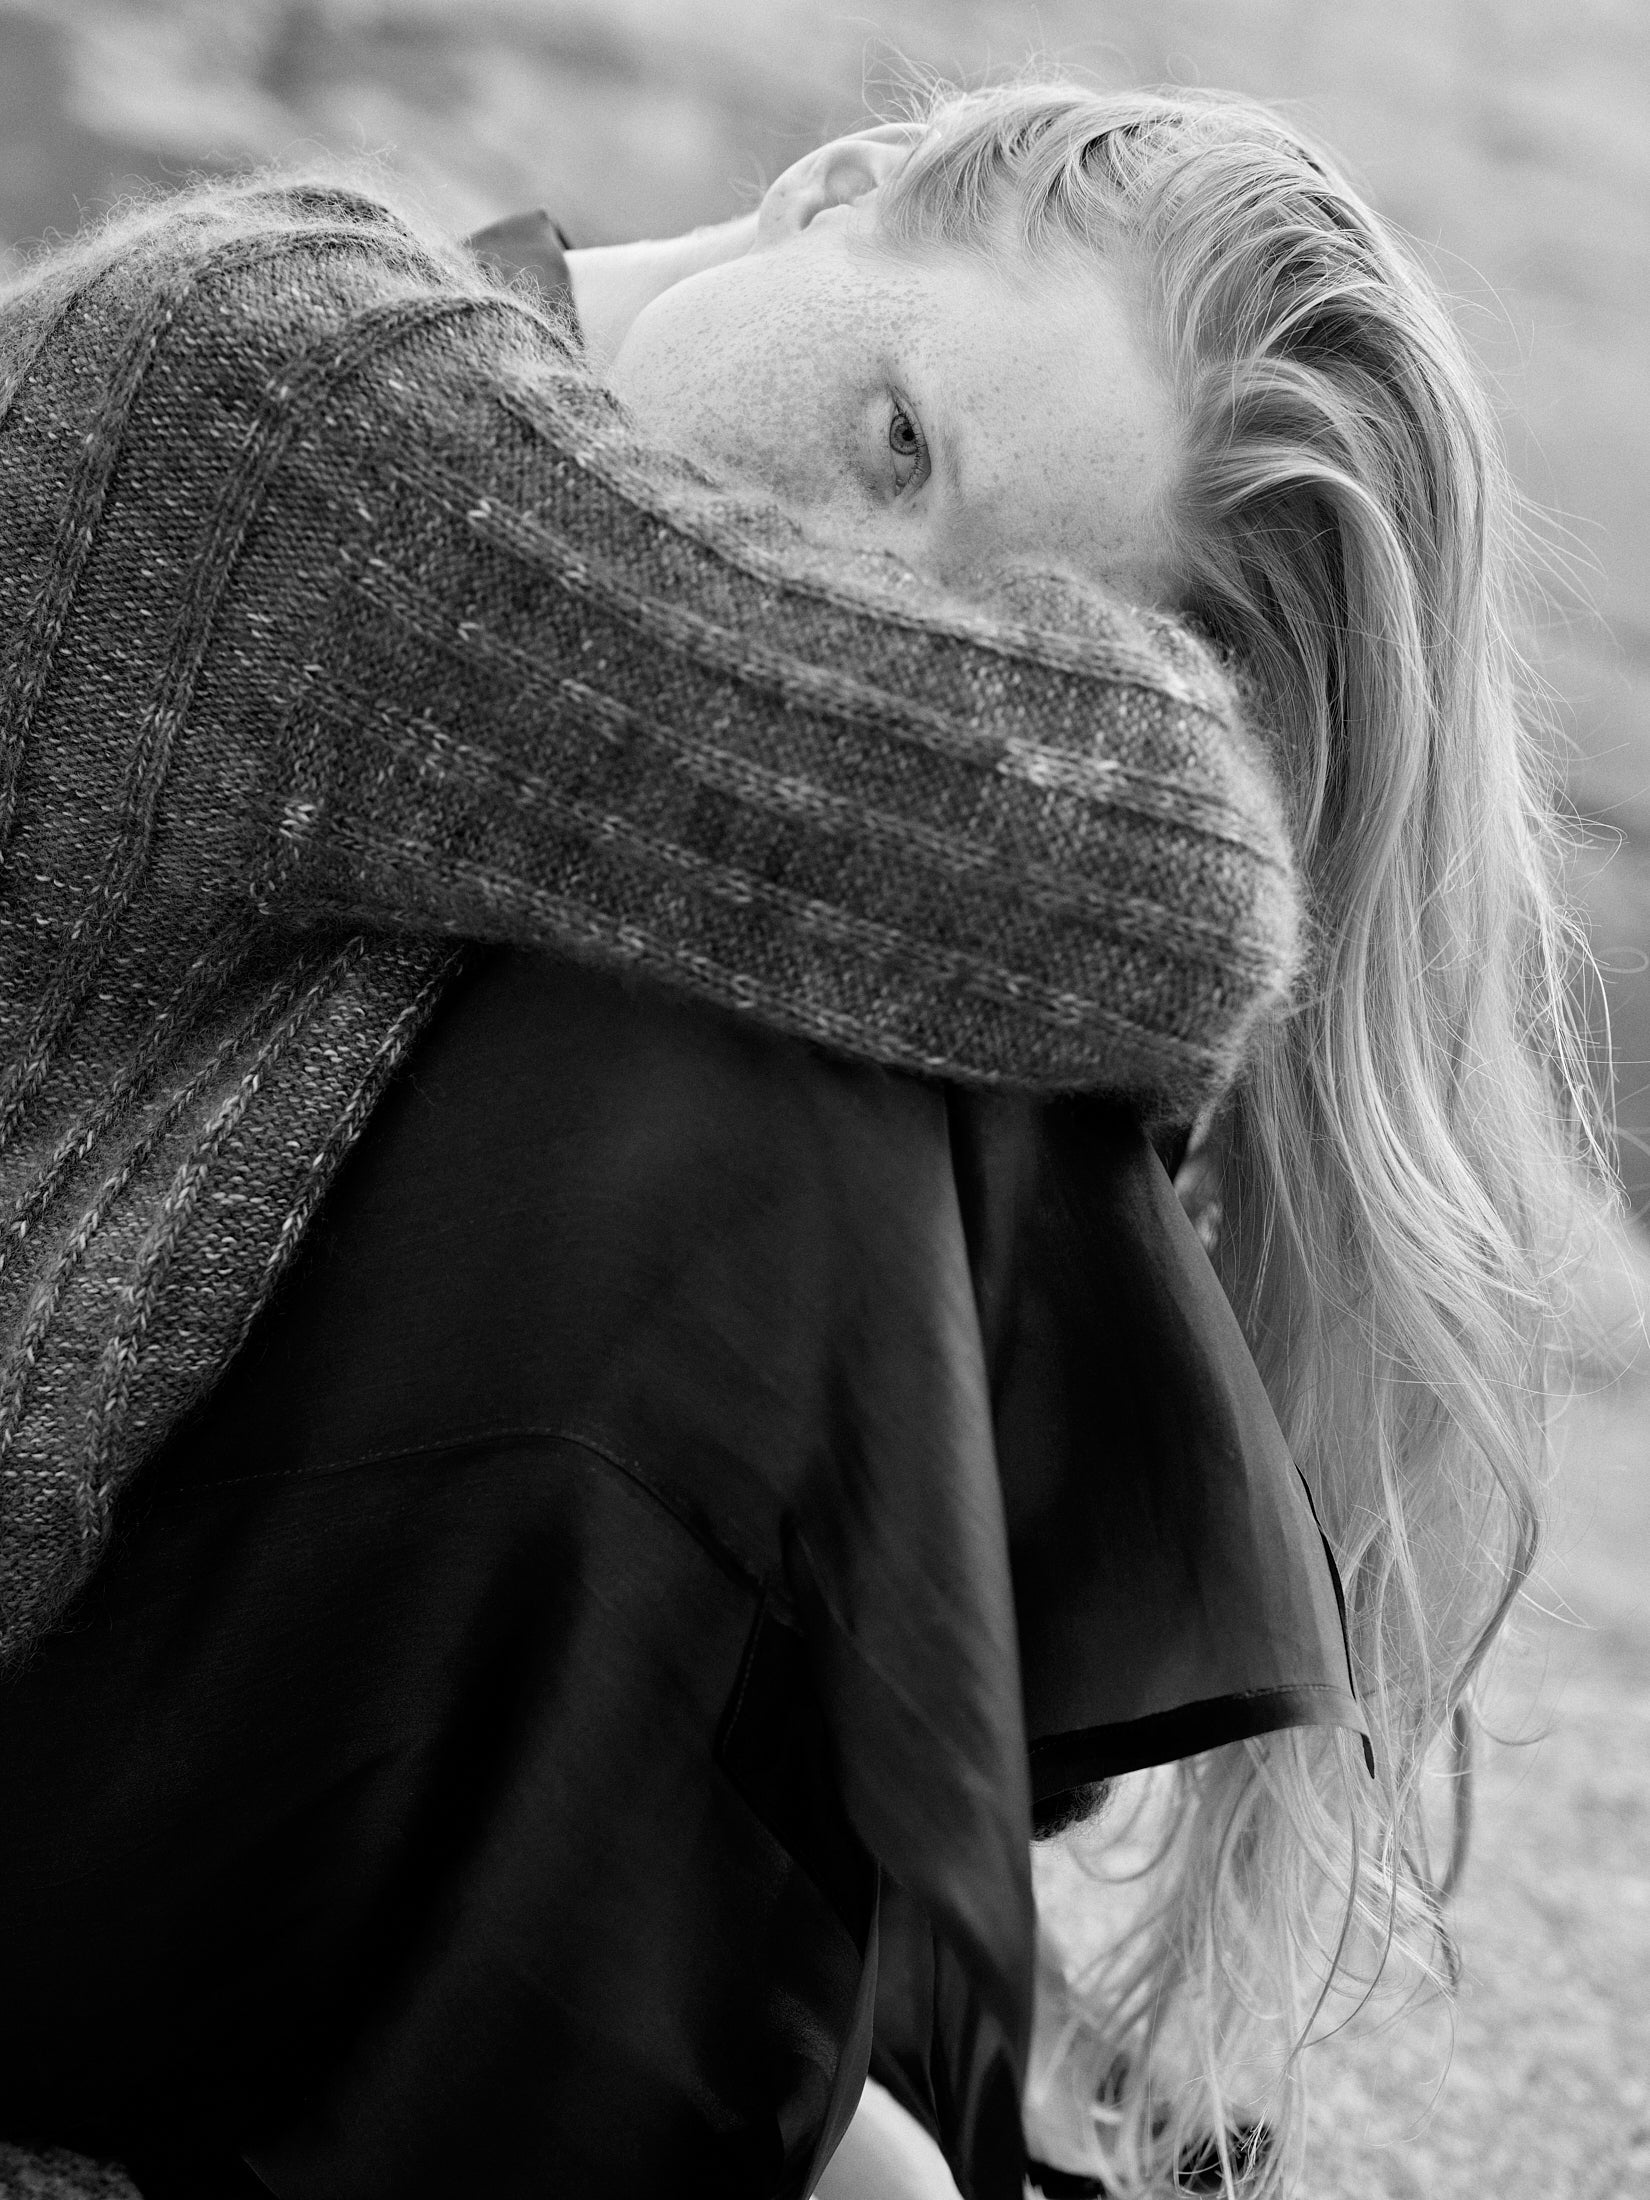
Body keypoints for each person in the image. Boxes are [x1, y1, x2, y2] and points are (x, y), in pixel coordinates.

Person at [0, 70, 1609, 2200]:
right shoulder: (277, 375)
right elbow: (1170, 875)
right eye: (902, 441)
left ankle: (779, 2062)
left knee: (867, 963)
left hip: (196, 1753)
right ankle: (796, 2104)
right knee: (809, 1001)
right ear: (838, 190)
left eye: (974, 606)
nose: (857, 592)